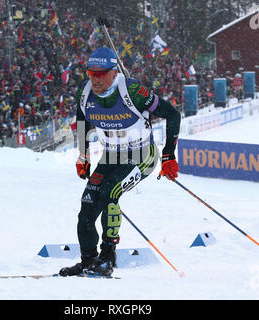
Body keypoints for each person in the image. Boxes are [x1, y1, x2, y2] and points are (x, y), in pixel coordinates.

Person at [59, 47, 181, 277]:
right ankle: (88, 260)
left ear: (114, 72)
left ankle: (107, 257)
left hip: (141, 156)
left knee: (109, 191)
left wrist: (168, 155)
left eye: (101, 73)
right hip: (111, 156)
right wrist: (83, 155)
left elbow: (172, 114)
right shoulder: (84, 93)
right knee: (86, 205)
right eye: (90, 73)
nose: (95, 79)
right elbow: (82, 120)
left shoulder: (133, 91)